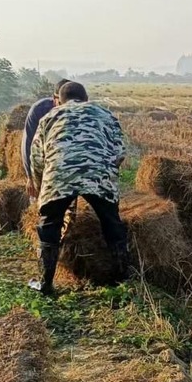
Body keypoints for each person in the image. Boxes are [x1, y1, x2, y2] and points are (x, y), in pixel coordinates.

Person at [28, 81, 130, 295]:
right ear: (86, 98)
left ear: (60, 100)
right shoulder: (105, 114)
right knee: (112, 224)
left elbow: (37, 158)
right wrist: (106, 176)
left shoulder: (49, 117)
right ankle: (123, 279)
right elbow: (120, 151)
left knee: (49, 227)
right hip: (98, 176)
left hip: (59, 176)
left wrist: (40, 189)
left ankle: (45, 284)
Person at [22, 78, 70, 185]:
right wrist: (30, 177)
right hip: (47, 161)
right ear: (55, 99)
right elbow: (29, 144)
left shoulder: (82, 114)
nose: (67, 107)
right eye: (63, 102)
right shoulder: (40, 111)